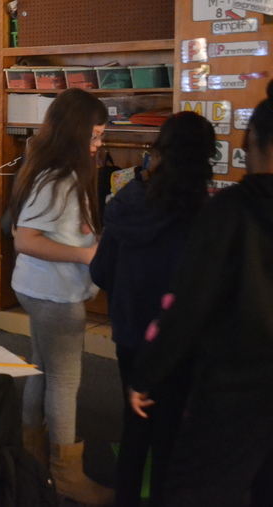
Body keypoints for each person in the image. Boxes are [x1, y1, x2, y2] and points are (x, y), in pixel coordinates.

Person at [128, 81, 273, 506]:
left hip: (233, 389)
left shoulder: (228, 211)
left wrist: (147, 373)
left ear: (251, 143)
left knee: (201, 489)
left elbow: (189, 301)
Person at [89, 112, 215, 507]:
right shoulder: (206, 215)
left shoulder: (127, 201)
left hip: (129, 334)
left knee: (135, 429)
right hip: (179, 343)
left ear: (158, 150)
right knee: (171, 436)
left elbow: (100, 270)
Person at [4, 87, 113, 505]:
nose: (99, 144)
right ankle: (67, 476)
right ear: (74, 133)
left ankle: (33, 458)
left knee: (42, 370)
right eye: (95, 135)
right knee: (64, 381)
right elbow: (25, 240)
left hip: (39, 289)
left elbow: (38, 231)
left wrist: (91, 238)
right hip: (52, 293)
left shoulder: (48, 169)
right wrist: (86, 252)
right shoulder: (59, 178)